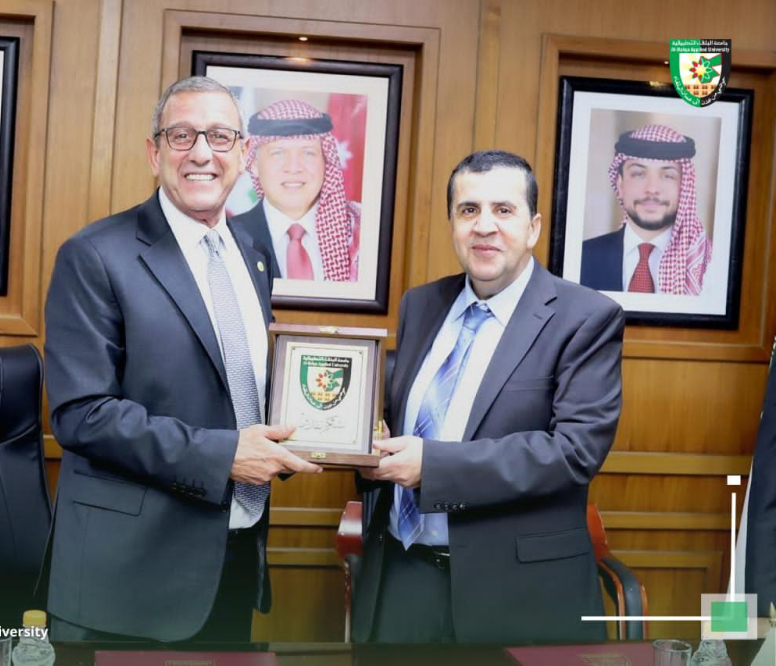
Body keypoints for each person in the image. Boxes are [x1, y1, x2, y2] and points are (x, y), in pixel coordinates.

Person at [43, 76, 322, 643]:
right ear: (155, 153)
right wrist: (226, 456)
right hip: (128, 579)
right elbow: (82, 414)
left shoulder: (252, 252)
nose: (201, 153)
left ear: (243, 153)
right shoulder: (95, 255)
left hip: (232, 559)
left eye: (219, 136)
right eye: (182, 135)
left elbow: (238, 386)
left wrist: (321, 428)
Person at [352, 150, 624, 644]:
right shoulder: (421, 304)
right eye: (469, 210)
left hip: (516, 594)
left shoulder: (585, 318)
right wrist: (368, 447)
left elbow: (574, 452)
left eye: (503, 210)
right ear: (453, 224)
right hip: (402, 579)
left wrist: (431, 466)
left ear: (533, 227)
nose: (484, 226)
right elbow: (400, 419)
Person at [231, 99, 360, 282]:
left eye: (308, 153)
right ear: (254, 165)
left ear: (326, 162)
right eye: (278, 153)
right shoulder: (227, 237)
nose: (293, 167)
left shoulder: (360, 232)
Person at [580, 124, 711, 294]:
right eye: (638, 174)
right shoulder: (582, 257)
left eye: (667, 176)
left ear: (684, 187)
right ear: (620, 185)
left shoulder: (708, 266)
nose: (652, 189)